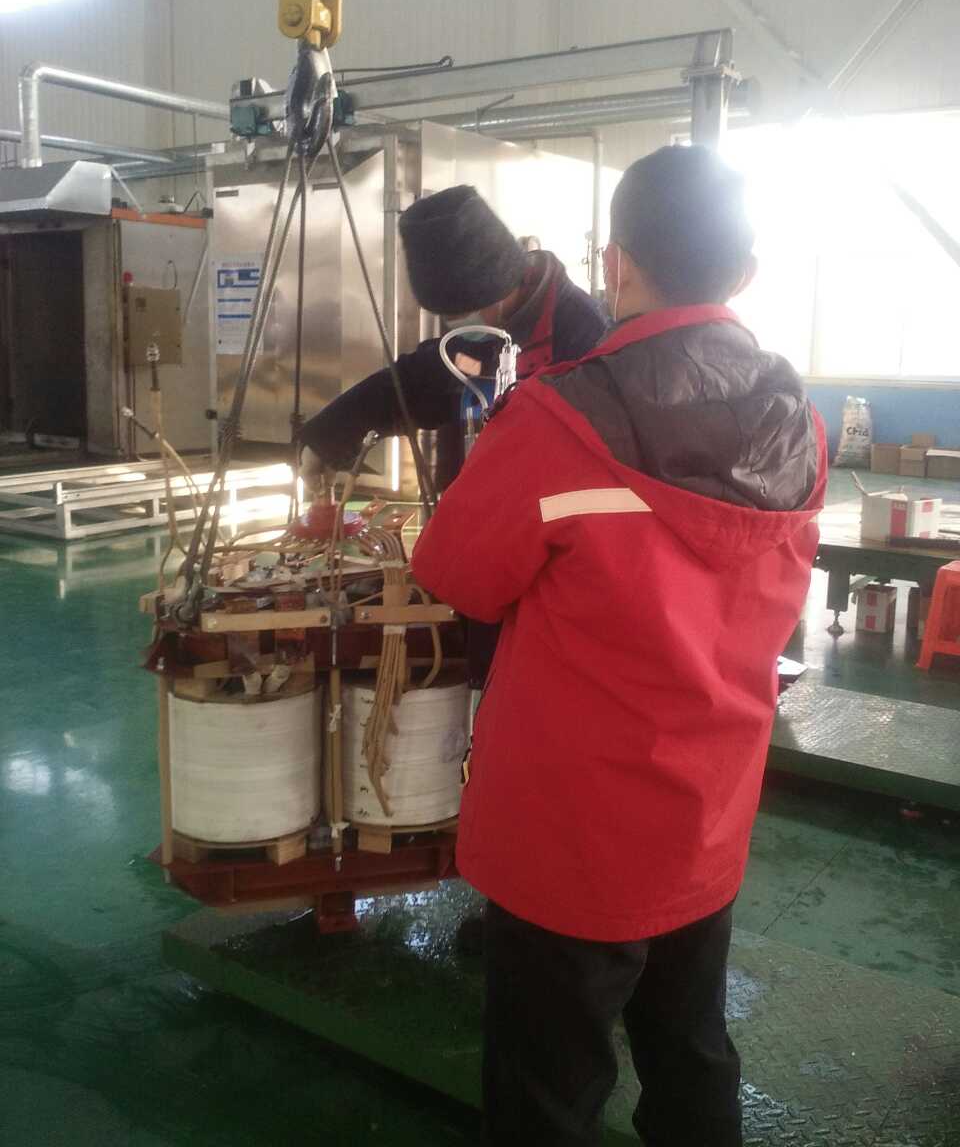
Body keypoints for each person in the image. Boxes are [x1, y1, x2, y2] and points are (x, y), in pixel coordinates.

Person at [412, 145, 826, 1147]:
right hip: (705, 816)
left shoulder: (560, 420)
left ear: (616, 263)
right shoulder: (801, 427)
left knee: (546, 1096)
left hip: (570, 834)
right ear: (746, 273)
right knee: (690, 1056)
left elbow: (456, 571)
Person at [298, 185, 608, 496]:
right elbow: (419, 381)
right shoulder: (482, 338)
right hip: (475, 507)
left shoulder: (584, 338)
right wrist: (328, 439)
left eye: (461, 313)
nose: (457, 325)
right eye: (448, 317)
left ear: (493, 289)